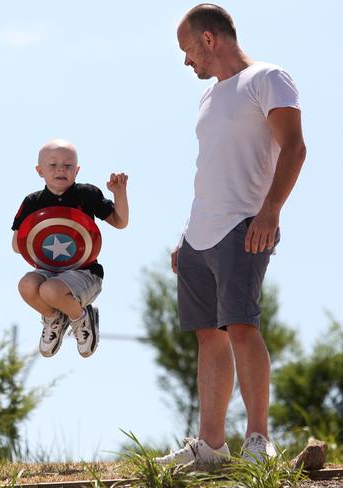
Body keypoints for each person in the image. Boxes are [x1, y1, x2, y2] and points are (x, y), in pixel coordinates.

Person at [156, 4, 306, 466]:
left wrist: (271, 211)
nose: (186, 62)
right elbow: (211, 170)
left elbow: (295, 148)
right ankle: (211, 448)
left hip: (245, 224)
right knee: (208, 337)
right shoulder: (210, 97)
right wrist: (187, 235)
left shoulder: (268, 77)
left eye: (187, 50)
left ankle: (259, 438)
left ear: (207, 39)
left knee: (241, 327)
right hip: (200, 234)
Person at [12, 139, 129, 358]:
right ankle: (54, 318)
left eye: (67, 166)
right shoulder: (32, 202)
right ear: (40, 171)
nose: (61, 170)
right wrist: (36, 231)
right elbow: (17, 246)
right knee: (27, 285)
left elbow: (119, 221)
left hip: (84, 272)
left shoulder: (87, 194)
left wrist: (119, 194)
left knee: (50, 290)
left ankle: (81, 317)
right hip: (48, 268)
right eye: (53, 165)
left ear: (77, 170)